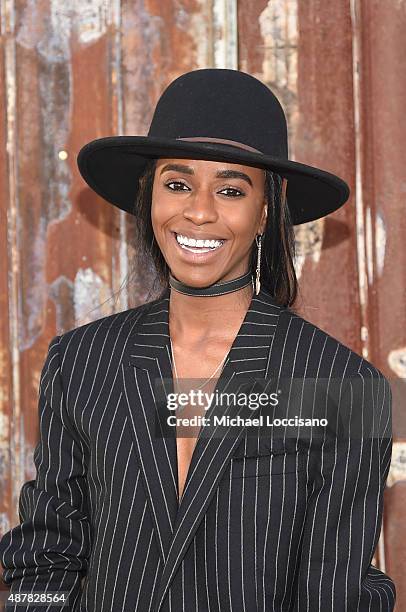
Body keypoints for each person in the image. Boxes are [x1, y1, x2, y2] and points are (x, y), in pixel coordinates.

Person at [0, 69, 396, 611]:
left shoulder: (340, 387)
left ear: (266, 212)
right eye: (178, 183)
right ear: (150, 198)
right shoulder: (82, 362)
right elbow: (46, 554)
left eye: (231, 189)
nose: (199, 210)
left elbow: (335, 592)